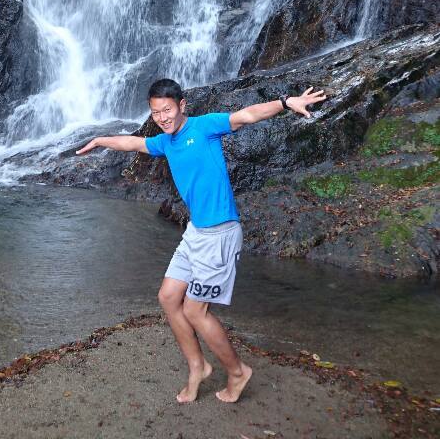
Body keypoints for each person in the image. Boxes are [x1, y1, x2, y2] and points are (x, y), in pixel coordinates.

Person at [76, 77, 327, 404]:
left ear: (182, 106)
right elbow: (134, 144)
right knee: (168, 297)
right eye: (155, 113)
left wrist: (285, 102)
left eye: (167, 110)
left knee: (195, 311)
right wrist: (100, 140)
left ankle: (238, 372)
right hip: (196, 232)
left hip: (220, 234)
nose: (162, 117)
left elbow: (246, 116)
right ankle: (198, 367)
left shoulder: (204, 127)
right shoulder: (165, 142)